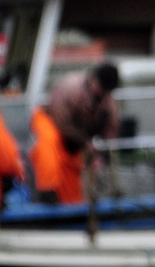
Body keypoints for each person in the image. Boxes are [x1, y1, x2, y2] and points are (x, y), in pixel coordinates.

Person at [28, 62, 120, 205]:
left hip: (75, 137)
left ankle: (70, 206)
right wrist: (85, 142)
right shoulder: (70, 87)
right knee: (48, 145)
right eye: (101, 88)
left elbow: (111, 127)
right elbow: (61, 122)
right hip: (50, 121)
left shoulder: (107, 101)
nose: (102, 93)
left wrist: (101, 155)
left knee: (72, 168)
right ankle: (47, 190)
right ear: (94, 79)